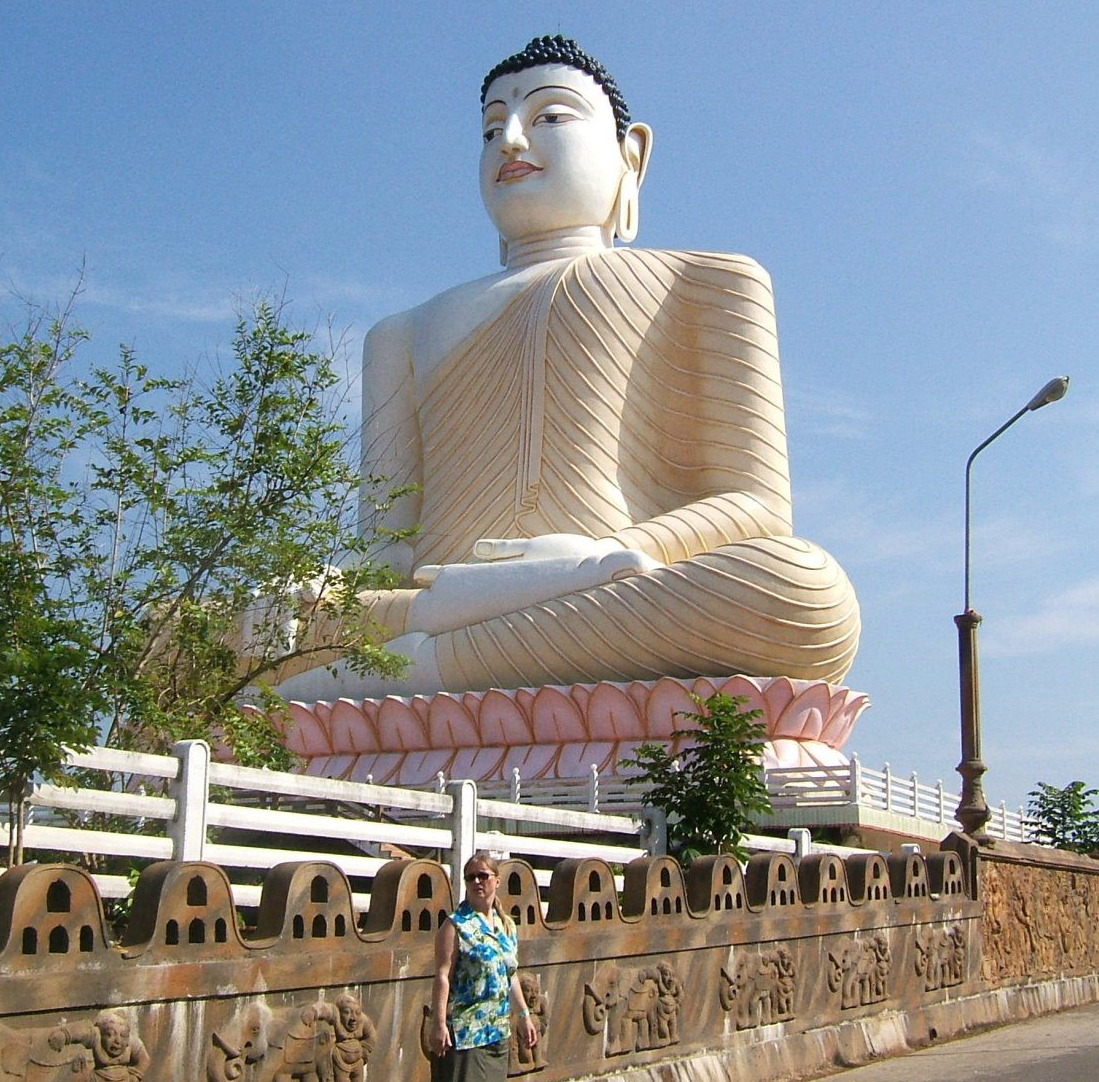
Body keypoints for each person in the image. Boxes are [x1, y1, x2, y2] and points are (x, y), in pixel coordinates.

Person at [277, 35, 859, 700]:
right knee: (173, 632)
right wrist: (329, 592)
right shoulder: (400, 334)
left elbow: (756, 507)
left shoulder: (709, 280)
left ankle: (399, 674)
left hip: (611, 579)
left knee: (803, 591)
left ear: (629, 155)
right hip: (458, 603)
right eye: (492, 127)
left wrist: (599, 557)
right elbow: (384, 548)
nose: (511, 141)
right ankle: (423, 645)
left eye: (549, 115)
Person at [417, 851, 538, 1082]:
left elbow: (509, 974)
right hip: (464, 1027)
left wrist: (524, 1015)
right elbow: (442, 976)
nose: (478, 882)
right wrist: (438, 1024)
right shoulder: (455, 925)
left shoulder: (505, 925)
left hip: (495, 1027)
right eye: (471, 877)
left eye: (484, 876)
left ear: (497, 881)